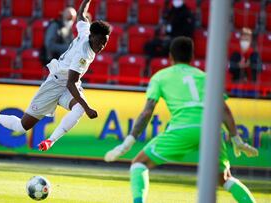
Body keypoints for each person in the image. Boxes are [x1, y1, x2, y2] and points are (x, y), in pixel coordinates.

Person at [104, 37, 259, 203]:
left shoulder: (161, 76)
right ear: (192, 58)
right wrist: (236, 139)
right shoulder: (205, 76)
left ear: (170, 57)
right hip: (212, 130)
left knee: (139, 164)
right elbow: (225, 110)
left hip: (183, 129)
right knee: (225, 178)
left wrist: (129, 141)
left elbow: (148, 111)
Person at [0, 0, 111, 151]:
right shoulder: (83, 55)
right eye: (100, 42)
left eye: (105, 43)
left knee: (78, 109)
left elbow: (81, 14)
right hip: (56, 84)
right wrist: (88, 108)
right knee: (21, 127)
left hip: (67, 85)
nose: (102, 46)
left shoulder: (86, 31)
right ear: (92, 36)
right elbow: (71, 83)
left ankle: (50, 141)